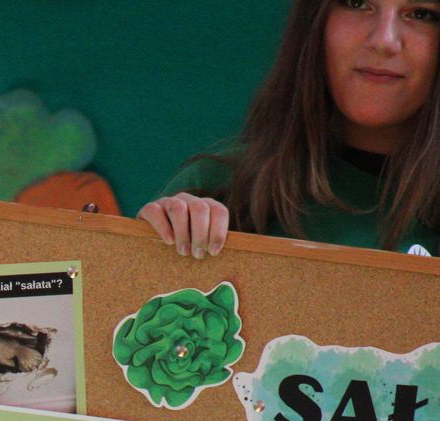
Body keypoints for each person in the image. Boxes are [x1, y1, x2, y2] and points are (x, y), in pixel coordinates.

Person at [138, 0, 440, 257]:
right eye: (356, 2)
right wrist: (142, 252)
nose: (384, 40)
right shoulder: (219, 190)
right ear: (314, 21)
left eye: (421, 14)